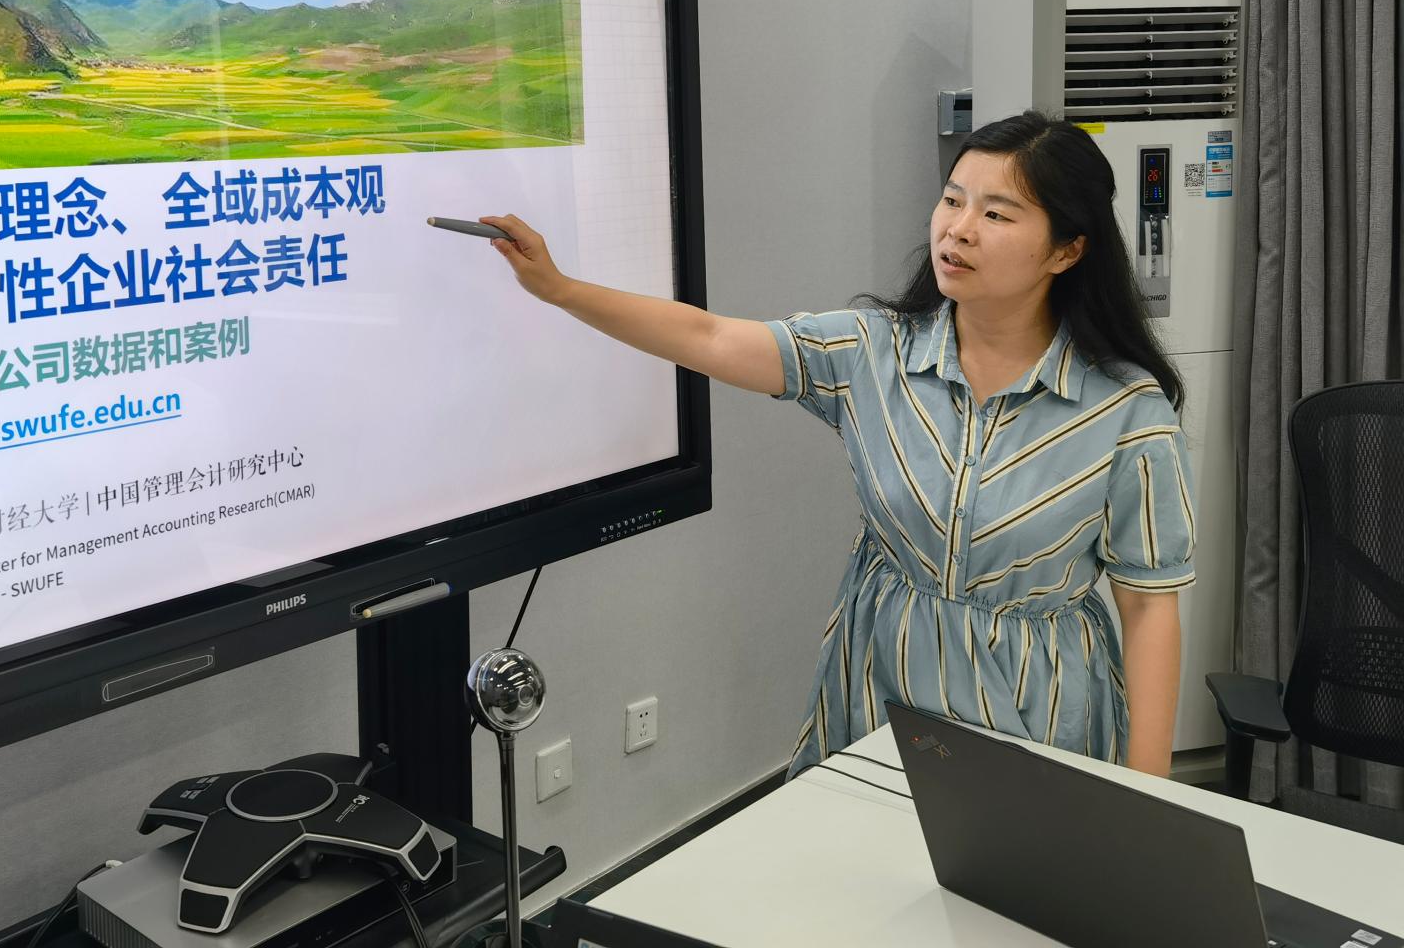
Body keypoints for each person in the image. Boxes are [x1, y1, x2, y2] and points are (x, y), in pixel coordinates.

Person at [483, 111, 1192, 779]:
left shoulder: (1127, 412)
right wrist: (560, 289)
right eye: (952, 200)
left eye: (997, 214)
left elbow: (1148, 607)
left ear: (1067, 249)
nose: (959, 229)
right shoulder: (871, 353)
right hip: (881, 697)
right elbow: (709, 336)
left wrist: (1150, 797)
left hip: (1043, 712)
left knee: (1026, 870)